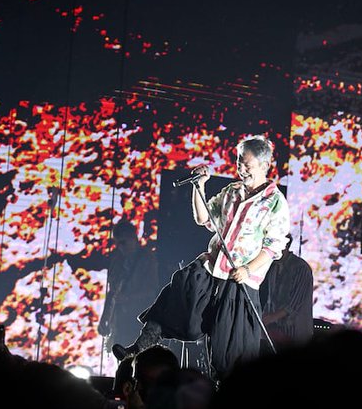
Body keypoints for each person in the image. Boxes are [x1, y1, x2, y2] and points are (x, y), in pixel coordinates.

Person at [112, 135, 290, 378]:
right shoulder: (232, 191)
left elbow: (273, 247)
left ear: (265, 165)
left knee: (228, 347)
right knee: (177, 293)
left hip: (240, 280)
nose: (241, 169)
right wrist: (199, 187)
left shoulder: (275, 202)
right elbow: (204, 219)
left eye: (247, 165)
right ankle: (139, 348)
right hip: (211, 266)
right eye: (239, 162)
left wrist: (248, 269)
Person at [98, 219, 160, 350]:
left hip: (139, 321)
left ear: (133, 238)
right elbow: (112, 292)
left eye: (123, 243)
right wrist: (104, 317)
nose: (120, 247)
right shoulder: (117, 260)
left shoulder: (147, 259)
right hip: (120, 322)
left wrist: (128, 298)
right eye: (117, 244)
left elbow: (152, 291)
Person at [259, 232, 314, 351]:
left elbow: (294, 304)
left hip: (295, 334)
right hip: (275, 333)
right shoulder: (273, 267)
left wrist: (271, 318)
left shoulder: (301, 268)